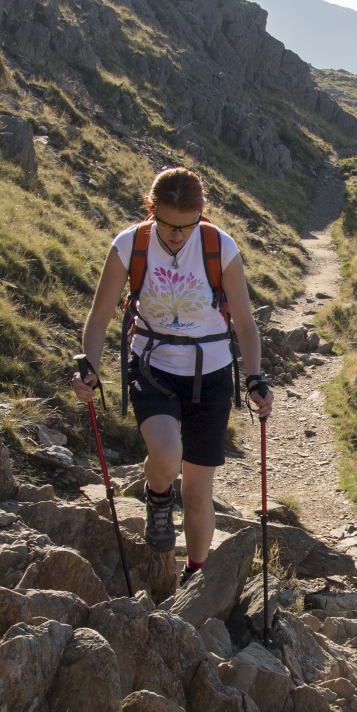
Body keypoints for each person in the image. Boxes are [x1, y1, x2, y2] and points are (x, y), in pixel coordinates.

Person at [72, 165, 273, 582]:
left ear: (201, 214)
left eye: (187, 226)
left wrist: (254, 378)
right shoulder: (130, 246)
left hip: (212, 373)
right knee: (165, 456)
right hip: (152, 365)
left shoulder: (221, 247)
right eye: (166, 225)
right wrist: (89, 368)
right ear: (151, 209)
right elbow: (99, 317)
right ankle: (157, 497)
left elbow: (246, 325)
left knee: (199, 494)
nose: (177, 236)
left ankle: (194, 576)